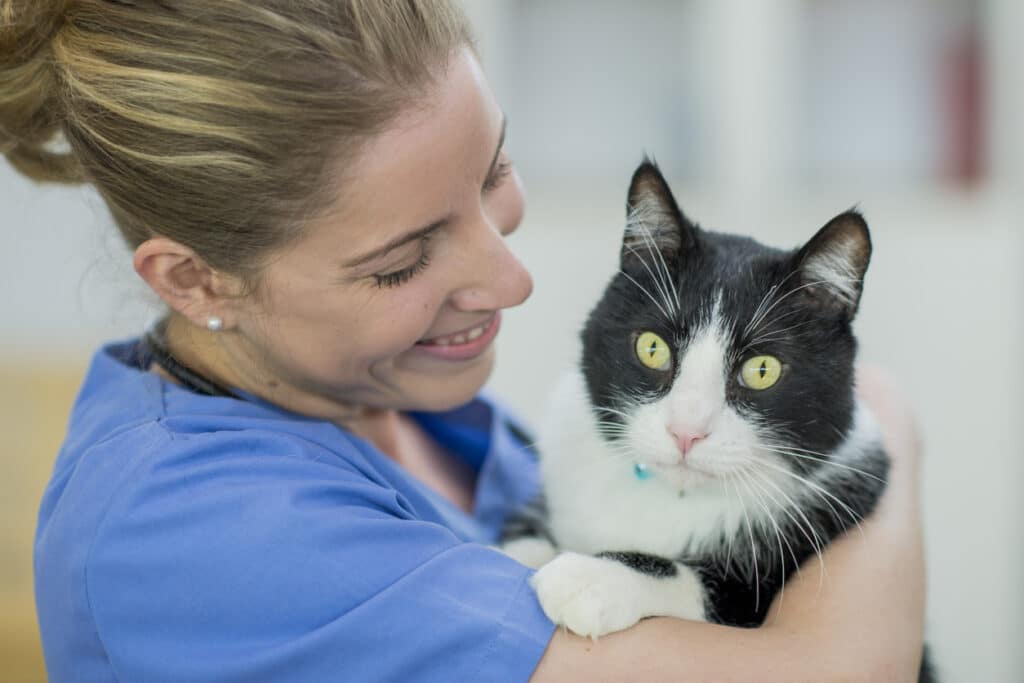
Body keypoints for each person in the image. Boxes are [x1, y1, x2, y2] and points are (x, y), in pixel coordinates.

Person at [3, 1, 926, 681]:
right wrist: (889, 429)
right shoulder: (199, 536)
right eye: (404, 259)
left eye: (494, 174)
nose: (512, 281)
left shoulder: (394, 394)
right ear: (197, 279)